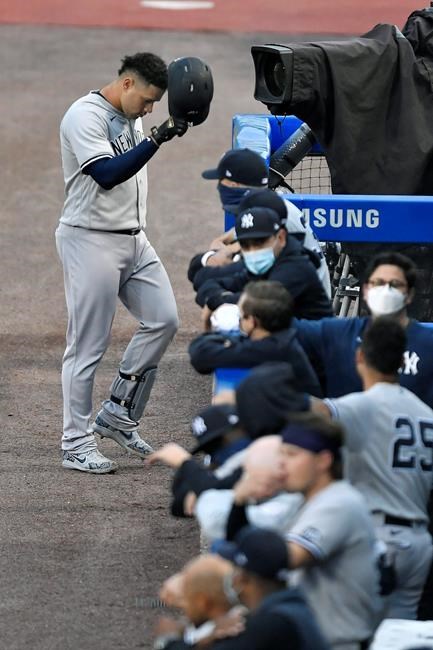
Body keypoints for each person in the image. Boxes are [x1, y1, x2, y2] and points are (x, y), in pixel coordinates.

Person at [56, 52, 190, 473]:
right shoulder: (84, 116)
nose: (150, 110)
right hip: (90, 241)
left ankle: (116, 412)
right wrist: (156, 138)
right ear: (127, 84)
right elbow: (108, 174)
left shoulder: (131, 114)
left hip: (135, 241)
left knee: (165, 319)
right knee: (87, 348)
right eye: (147, 101)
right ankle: (75, 443)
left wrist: (151, 132)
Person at [311, 316, 433, 619]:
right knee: (397, 635)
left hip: (378, 538)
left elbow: (316, 410)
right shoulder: (426, 413)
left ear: (360, 356)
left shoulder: (363, 405)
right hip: (419, 543)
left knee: (350, 627)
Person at [227, 413, 382, 650]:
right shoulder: (308, 502)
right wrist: (240, 500)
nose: (281, 463)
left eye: (292, 454)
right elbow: (253, 552)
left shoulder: (338, 503)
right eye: (281, 454)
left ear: (323, 460)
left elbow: (281, 559)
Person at [154, 527, 331, 650]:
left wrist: (168, 639)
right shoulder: (291, 604)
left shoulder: (273, 623)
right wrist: (205, 639)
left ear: (241, 579)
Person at [296, 252, 433, 408]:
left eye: (395, 284)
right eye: (378, 283)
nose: (386, 290)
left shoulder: (429, 342)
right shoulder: (336, 333)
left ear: (409, 295)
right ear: (366, 290)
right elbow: (281, 331)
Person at [195, 207, 333, 320]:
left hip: (314, 348)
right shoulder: (266, 263)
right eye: (246, 246)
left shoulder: (296, 268)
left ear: (281, 237)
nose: (254, 251)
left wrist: (218, 301)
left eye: (259, 242)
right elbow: (207, 283)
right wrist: (221, 298)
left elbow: (261, 302)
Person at [188, 281, 322, 396]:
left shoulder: (272, 349)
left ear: (252, 322)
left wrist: (225, 341)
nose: (239, 321)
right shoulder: (281, 338)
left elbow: (200, 355)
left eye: (240, 316)